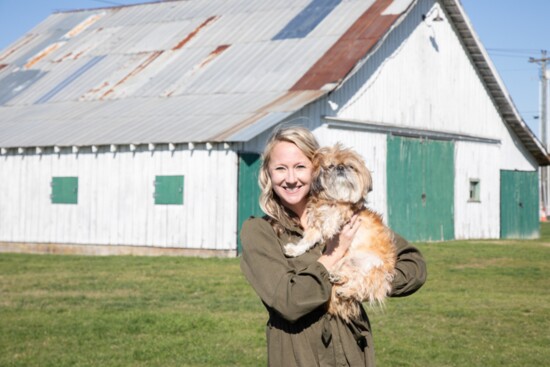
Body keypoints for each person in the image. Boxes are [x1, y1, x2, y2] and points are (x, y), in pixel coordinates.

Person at [240, 126, 427, 367]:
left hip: (352, 351)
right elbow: (288, 301)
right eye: (280, 168)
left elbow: (415, 266)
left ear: (316, 169)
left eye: (300, 167)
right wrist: (333, 254)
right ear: (268, 174)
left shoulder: (351, 214)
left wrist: (369, 281)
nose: (290, 178)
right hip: (299, 355)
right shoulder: (259, 232)